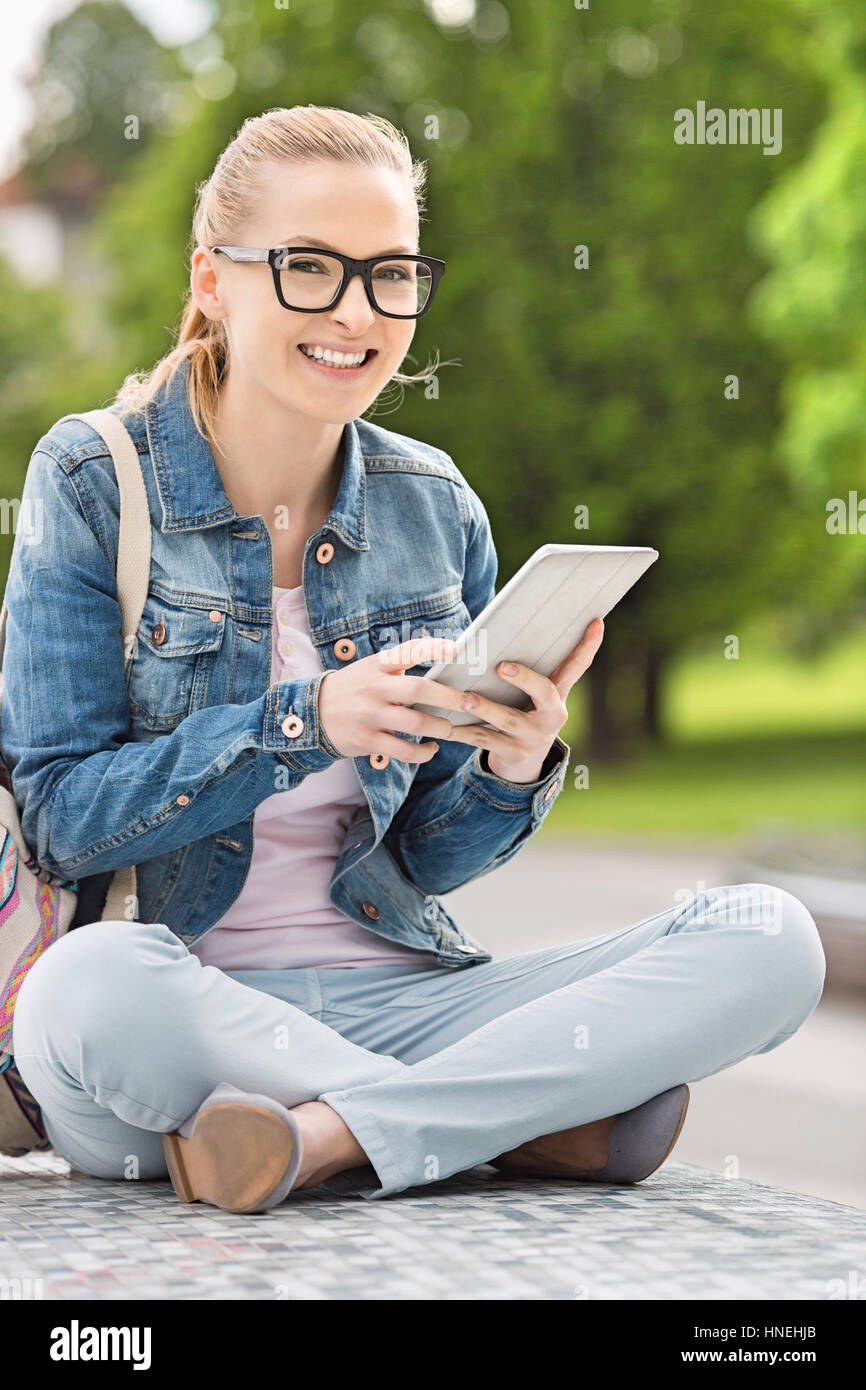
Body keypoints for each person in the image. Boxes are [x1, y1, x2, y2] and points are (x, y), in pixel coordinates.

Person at [4, 107, 825, 1214]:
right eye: (309, 268)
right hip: (177, 1009)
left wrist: (507, 770)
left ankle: (327, 1136)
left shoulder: (432, 507)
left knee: (765, 937)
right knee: (85, 992)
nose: (355, 311)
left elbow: (428, 862)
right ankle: (503, 1119)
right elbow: (60, 817)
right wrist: (304, 721)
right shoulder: (93, 478)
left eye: (390, 275)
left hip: (401, 994)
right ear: (211, 280)